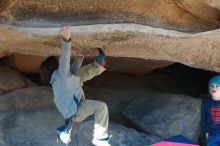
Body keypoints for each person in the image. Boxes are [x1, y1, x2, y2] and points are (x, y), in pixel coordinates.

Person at [40, 25, 111, 146]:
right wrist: (66, 39)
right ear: (54, 66)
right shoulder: (60, 76)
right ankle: (99, 138)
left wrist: (81, 54)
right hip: (76, 110)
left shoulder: (60, 79)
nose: (59, 63)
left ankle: (99, 65)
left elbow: (73, 68)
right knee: (101, 107)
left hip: (74, 108)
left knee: (77, 75)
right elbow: (65, 61)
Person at [201, 75, 220, 146]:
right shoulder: (206, 102)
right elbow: (203, 118)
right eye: (211, 85)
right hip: (212, 134)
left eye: (217, 86)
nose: (214, 87)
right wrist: (206, 131)